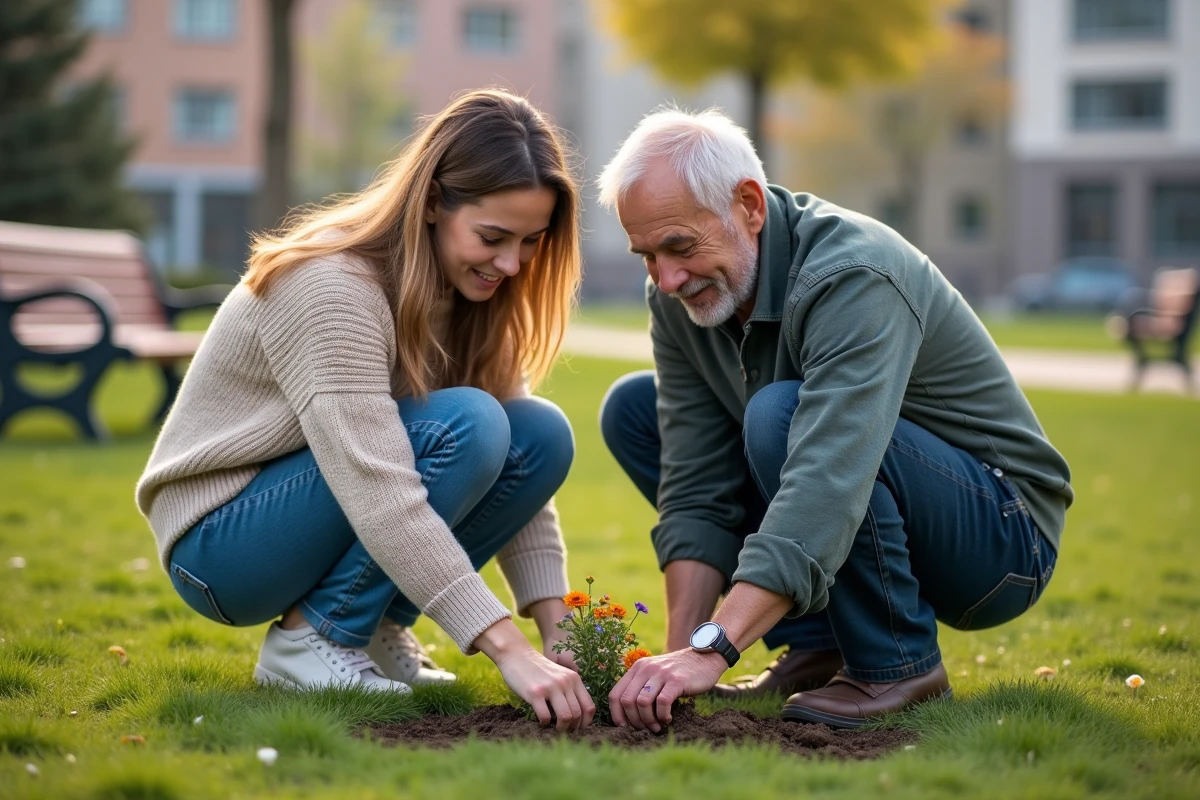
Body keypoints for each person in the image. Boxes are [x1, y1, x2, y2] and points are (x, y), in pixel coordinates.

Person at [597, 109, 1072, 730]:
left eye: (680, 247)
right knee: (636, 409)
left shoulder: (852, 274)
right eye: (647, 256)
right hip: (864, 497)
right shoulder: (677, 295)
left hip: (1001, 536)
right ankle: (821, 643)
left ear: (749, 206)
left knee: (780, 416)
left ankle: (899, 665)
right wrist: (681, 660)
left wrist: (717, 646)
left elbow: (830, 474)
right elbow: (695, 484)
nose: (667, 278)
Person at [136, 90, 595, 731]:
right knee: (471, 423)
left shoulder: (476, 294)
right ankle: (312, 641)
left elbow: (519, 469)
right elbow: (376, 482)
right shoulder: (333, 283)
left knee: (539, 431)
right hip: (220, 545)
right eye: (492, 237)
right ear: (433, 200)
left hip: (318, 505)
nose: (511, 264)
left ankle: (373, 628)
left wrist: (558, 626)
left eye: (530, 242)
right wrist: (505, 648)